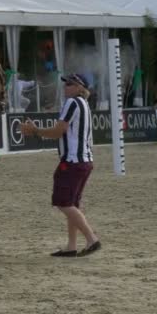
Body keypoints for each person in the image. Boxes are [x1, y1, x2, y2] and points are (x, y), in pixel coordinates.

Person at [20, 73, 101, 257]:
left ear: (80, 88)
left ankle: (91, 239)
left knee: (63, 203)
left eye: (70, 84)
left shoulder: (72, 103)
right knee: (72, 204)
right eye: (66, 84)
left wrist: (35, 131)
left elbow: (58, 131)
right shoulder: (84, 104)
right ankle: (71, 246)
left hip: (73, 161)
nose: (66, 87)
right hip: (84, 160)